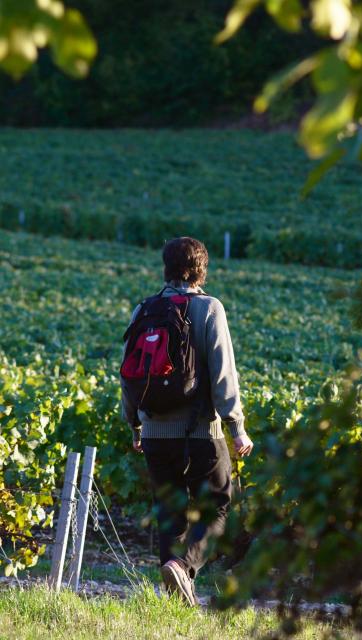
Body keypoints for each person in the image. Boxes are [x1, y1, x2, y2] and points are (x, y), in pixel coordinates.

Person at [120, 236, 253, 606]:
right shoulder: (210, 309)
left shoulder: (143, 310)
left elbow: (128, 375)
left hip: (155, 432)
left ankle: (174, 593)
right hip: (200, 432)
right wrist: (236, 428)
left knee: (169, 508)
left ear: (165, 268)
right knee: (218, 506)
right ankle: (184, 566)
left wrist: (134, 424)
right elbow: (224, 373)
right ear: (201, 270)